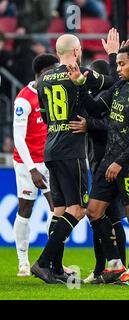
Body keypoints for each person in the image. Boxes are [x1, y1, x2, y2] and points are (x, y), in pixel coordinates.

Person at [30, 34, 119, 284]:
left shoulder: (43, 79)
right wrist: (112, 57)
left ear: (57, 52)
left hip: (51, 146)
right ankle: (43, 262)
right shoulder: (83, 74)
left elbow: (46, 117)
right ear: (77, 50)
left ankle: (56, 268)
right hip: (71, 148)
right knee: (78, 209)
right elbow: (115, 85)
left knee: (60, 210)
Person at [68, 44, 129, 285]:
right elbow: (97, 109)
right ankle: (115, 264)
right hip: (108, 160)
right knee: (94, 212)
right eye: (116, 64)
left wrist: (120, 162)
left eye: (122, 64)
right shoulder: (119, 86)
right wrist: (80, 84)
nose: (117, 69)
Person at [67, 58, 128, 284]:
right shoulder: (97, 99)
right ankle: (103, 268)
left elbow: (116, 125)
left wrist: (90, 124)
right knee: (102, 217)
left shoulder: (110, 99)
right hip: (98, 161)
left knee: (110, 217)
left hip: (111, 163)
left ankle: (119, 268)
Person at [12, 54, 58, 277]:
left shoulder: (52, 93)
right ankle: (23, 261)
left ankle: (51, 260)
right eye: (54, 70)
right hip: (26, 162)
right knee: (26, 209)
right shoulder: (23, 99)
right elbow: (18, 138)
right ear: (43, 72)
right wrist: (32, 169)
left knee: (57, 209)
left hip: (50, 159)